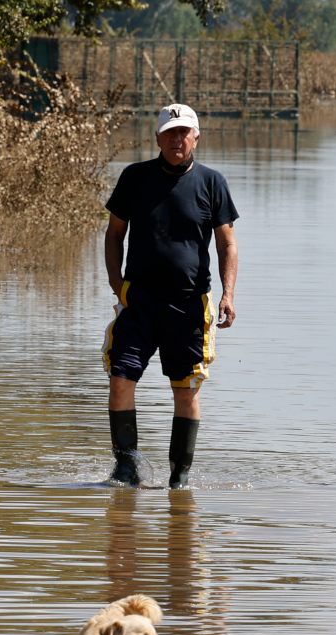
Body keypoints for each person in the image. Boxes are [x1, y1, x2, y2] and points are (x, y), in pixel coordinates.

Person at [101, 104, 239, 489]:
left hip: (189, 305)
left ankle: (179, 478)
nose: (177, 140)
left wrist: (228, 294)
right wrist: (118, 284)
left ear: (196, 137)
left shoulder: (212, 183)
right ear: (157, 138)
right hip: (138, 301)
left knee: (186, 390)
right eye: (170, 133)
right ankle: (126, 469)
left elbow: (227, 243)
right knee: (119, 380)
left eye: (184, 133)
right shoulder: (135, 178)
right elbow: (114, 234)